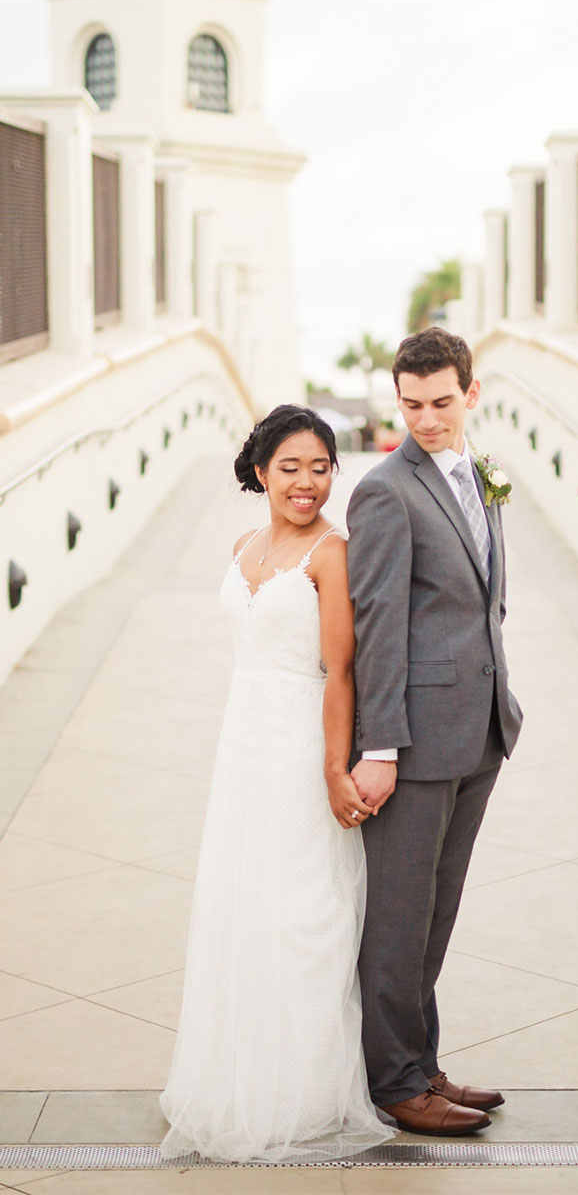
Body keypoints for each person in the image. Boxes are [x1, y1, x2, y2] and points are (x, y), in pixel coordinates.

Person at [159, 406, 393, 1162]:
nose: (307, 482)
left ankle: (305, 1090)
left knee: (305, 911)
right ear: (261, 472)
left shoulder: (333, 552)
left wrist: (333, 769)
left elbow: (341, 672)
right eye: (291, 467)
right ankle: (234, 1074)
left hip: (301, 745)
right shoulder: (241, 545)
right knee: (243, 903)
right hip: (242, 746)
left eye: (321, 467)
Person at [347, 327, 521, 1135]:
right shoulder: (386, 489)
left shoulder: (476, 475)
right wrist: (379, 747)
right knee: (398, 917)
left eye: (441, 402)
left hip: (481, 728)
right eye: (411, 404)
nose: (426, 418)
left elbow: (483, 596)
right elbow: (378, 620)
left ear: (471, 394)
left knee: (438, 912)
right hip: (414, 741)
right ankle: (394, 1085)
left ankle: (424, 1063)